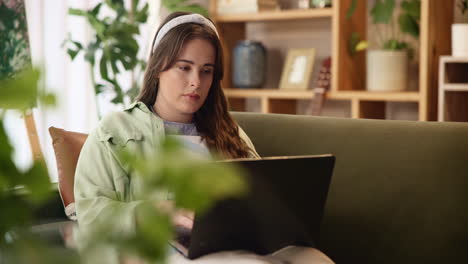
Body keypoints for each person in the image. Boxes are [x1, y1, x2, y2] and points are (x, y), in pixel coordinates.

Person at [74, 11, 333, 264]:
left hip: (231, 242)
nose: (196, 82)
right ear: (158, 68)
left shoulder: (228, 131)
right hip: (158, 248)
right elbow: (90, 214)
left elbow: (260, 195)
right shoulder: (115, 130)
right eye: (184, 68)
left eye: (206, 70)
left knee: (313, 258)